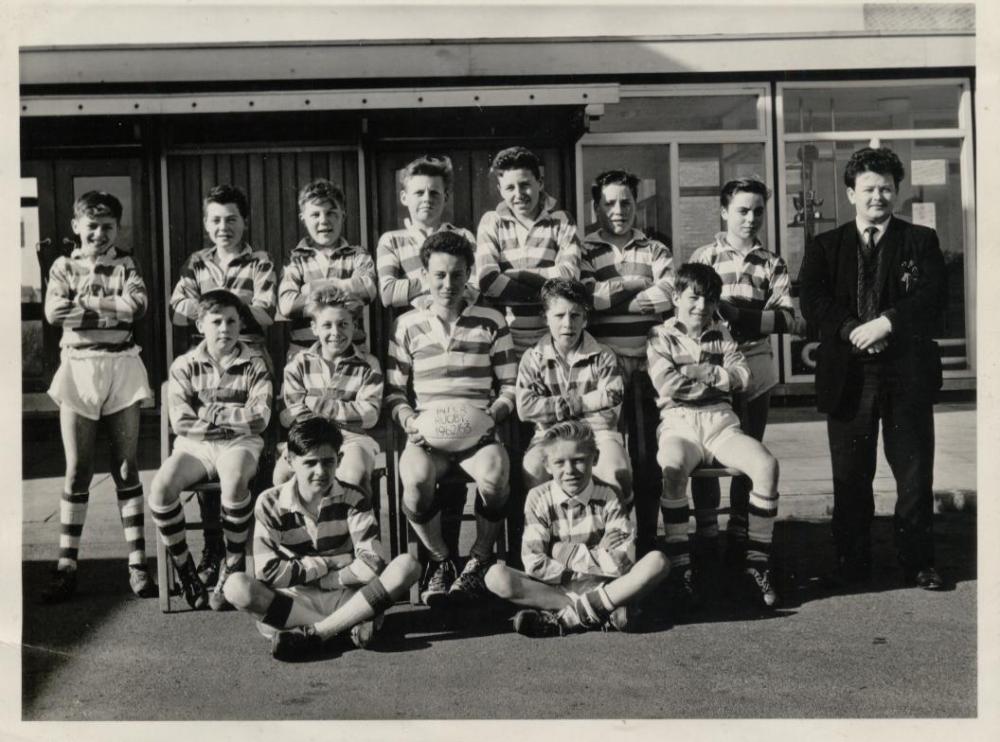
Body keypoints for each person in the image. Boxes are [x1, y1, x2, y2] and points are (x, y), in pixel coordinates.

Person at [798, 146, 947, 590]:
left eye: (885, 188)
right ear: (850, 194)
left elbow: (933, 298)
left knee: (914, 474)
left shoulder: (920, 241)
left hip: (905, 374)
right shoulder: (825, 245)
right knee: (850, 476)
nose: (877, 196)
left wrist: (887, 323)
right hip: (849, 376)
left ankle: (918, 563)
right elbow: (813, 301)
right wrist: (850, 329)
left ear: (897, 193)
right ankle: (852, 564)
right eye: (868, 189)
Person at [386, 230, 517, 606]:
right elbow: (395, 391)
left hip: (477, 433)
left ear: (469, 274)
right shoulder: (406, 324)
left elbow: (510, 386)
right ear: (425, 275)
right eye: (440, 275)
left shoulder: (491, 320)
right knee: (414, 479)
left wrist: (493, 415)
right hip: (429, 436)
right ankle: (441, 561)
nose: (448, 284)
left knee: (494, 476)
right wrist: (409, 419)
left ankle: (478, 559)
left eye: (458, 275)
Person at [223, 417, 421, 662]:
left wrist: (327, 580)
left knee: (407, 566)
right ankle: (346, 630)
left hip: (345, 594)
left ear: (340, 458)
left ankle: (316, 634)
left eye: (328, 462)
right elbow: (268, 572)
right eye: (310, 463)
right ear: (289, 460)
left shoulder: (354, 498)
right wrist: (329, 563)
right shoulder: (270, 502)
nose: (321, 472)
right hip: (294, 600)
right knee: (235, 586)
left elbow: (372, 564)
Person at [40, 190, 156, 602]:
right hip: (78, 366)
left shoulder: (127, 264)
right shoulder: (63, 266)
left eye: (108, 226)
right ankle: (66, 565)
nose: (100, 233)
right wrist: (112, 309)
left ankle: (138, 563)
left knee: (127, 467)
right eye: (92, 225)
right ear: (76, 226)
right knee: (78, 469)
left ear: (116, 228)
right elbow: (54, 313)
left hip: (122, 365)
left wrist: (85, 306)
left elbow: (139, 305)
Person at [647, 263, 780, 608]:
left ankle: (756, 565)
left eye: (709, 300)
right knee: (673, 469)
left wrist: (703, 371)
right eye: (693, 298)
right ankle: (680, 570)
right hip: (679, 423)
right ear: (676, 297)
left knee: (766, 466)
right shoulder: (659, 335)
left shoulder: (723, 333)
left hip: (721, 423)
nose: (701, 307)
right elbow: (668, 385)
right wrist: (717, 379)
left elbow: (744, 378)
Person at [169, 184, 277, 588]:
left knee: (249, 453)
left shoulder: (260, 261)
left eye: (231, 218)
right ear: (206, 224)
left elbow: (268, 313)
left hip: (250, 360)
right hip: (207, 358)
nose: (223, 226)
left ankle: (255, 548)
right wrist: (221, 310)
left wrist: (217, 306)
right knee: (206, 447)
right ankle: (213, 548)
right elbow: (177, 311)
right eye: (215, 219)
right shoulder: (195, 263)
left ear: (244, 221)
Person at [688, 178, 796, 569]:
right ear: (724, 211)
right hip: (713, 365)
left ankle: (741, 531)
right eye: (742, 210)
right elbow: (690, 312)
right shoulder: (705, 257)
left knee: (749, 452)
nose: (750, 219)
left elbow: (787, 318)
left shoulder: (772, 262)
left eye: (757, 211)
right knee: (706, 454)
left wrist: (738, 315)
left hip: (756, 366)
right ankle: (705, 533)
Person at [484, 421, 670, 637]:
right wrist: (595, 554)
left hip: (605, 584)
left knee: (658, 562)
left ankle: (568, 618)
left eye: (579, 460)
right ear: (546, 465)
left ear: (596, 458)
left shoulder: (609, 495)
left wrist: (561, 551)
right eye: (559, 462)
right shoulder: (538, 498)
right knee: (495, 576)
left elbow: (622, 561)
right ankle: (602, 612)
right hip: (556, 588)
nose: (570, 470)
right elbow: (533, 562)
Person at [149, 290, 272, 611]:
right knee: (161, 488)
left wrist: (214, 414)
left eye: (232, 321)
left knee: (233, 480)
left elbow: (259, 418)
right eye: (216, 321)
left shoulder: (253, 363)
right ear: (200, 323)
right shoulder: (185, 365)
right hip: (197, 445)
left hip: (239, 444)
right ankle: (185, 568)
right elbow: (180, 420)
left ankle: (231, 566)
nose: (225, 329)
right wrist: (231, 418)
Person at [581, 169, 674, 556]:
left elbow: (668, 295)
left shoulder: (654, 249)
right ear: (596, 205)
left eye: (627, 203)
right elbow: (589, 300)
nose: (619, 210)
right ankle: (612, 538)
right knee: (608, 458)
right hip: (605, 367)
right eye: (610, 203)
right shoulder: (584, 250)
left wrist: (613, 293)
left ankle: (649, 537)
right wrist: (637, 283)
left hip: (651, 364)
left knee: (648, 457)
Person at [516, 278, 631, 505]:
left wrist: (555, 408)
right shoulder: (534, 357)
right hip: (548, 435)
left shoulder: (603, 355)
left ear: (585, 319)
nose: (567, 324)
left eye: (575, 315)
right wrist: (586, 403)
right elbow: (526, 408)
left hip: (598, 435)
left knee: (616, 472)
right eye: (559, 316)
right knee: (533, 469)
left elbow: (610, 408)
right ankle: (549, 534)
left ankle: (616, 533)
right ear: (546, 318)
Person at [274, 289, 383, 498]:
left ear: (354, 326)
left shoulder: (368, 365)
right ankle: (301, 528)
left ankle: (354, 527)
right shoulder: (298, 364)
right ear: (314, 328)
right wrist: (346, 413)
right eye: (327, 325)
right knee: (281, 476)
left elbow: (369, 415)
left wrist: (317, 404)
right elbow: (289, 415)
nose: (335, 332)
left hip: (352, 439)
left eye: (343, 324)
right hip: (307, 438)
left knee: (354, 477)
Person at [476, 145, 582, 356]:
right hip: (504, 340)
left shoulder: (561, 220)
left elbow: (569, 278)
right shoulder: (491, 222)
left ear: (540, 183)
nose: (518, 194)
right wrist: (549, 286)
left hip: (553, 339)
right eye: (510, 188)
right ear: (500, 190)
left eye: (525, 185)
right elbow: (488, 282)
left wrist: (515, 275)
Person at [277, 178, 376, 358]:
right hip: (304, 355)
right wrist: (344, 293)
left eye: (331, 213)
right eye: (315, 215)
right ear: (303, 219)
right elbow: (287, 304)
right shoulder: (295, 259)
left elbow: (367, 289)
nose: (324, 221)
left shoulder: (357, 255)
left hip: (351, 352)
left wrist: (312, 288)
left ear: (343, 216)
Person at [376, 155, 477, 310]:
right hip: (413, 330)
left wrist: (415, 290)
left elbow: (474, 289)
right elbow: (388, 294)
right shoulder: (391, 241)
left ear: (446, 196)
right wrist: (447, 282)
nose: (427, 199)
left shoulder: (463, 237)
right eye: (419, 192)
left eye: (434, 193)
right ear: (404, 197)